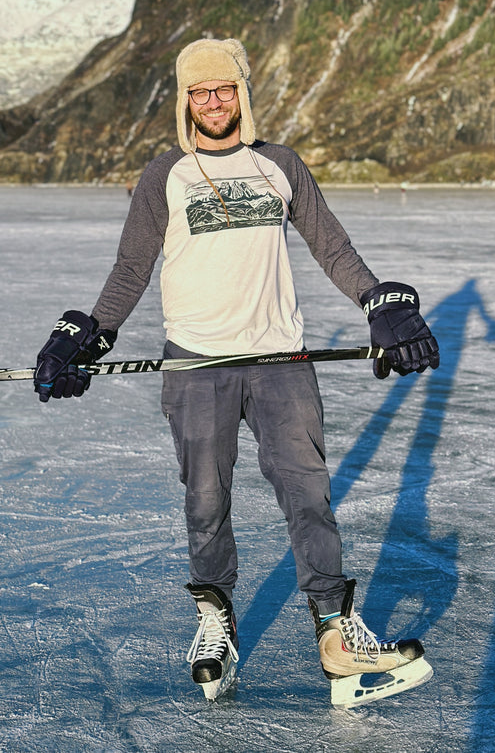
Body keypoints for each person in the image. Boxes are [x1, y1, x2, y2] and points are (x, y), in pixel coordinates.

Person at [33, 38, 440, 707]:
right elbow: (132, 269)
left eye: (224, 89)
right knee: (205, 500)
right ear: (184, 100)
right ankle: (215, 620)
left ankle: (337, 633)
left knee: (309, 496)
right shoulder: (166, 173)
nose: (213, 101)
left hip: (281, 360)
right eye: (200, 91)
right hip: (196, 364)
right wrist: (90, 334)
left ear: (242, 95)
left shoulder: (279, 165)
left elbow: (331, 244)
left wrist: (379, 300)